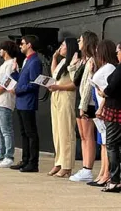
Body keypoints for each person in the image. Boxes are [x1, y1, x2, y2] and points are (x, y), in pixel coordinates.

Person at [69, 31, 98, 183]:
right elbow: (76, 81)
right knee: (82, 135)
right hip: (80, 100)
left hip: (86, 102)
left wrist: (83, 105)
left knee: (88, 135)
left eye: (80, 40)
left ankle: (88, 168)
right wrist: (73, 65)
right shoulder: (84, 60)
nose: (78, 43)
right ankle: (85, 167)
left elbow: (87, 86)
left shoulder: (92, 60)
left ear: (86, 42)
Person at [10, 35, 43, 172]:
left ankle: (33, 162)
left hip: (28, 102)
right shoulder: (27, 61)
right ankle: (25, 159)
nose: (20, 46)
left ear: (29, 45)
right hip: (22, 102)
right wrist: (14, 73)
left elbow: (34, 84)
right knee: (24, 133)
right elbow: (24, 80)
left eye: (22, 43)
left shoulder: (35, 61)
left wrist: (18, 90)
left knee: (31, 133)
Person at [47, 38, 79, 178]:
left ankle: (67, 165)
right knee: (57, 131)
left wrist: (58, 87)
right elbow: (55, 75)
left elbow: (74, 84)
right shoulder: (62, 61)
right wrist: (54, 58)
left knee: (66, 131)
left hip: (66, 96)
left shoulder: (74, 62)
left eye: (63, 45)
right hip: (56, 96)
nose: (60, 47)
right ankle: (58, 162)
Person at [88, 40, 117, 187]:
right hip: (101, 106)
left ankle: (107, 174)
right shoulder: (105, 67)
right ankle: (103, 172)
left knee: (108, 142)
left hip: (105, 108)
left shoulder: (110, 68)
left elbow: (109, 91)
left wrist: (102, 108)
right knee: (104, 143)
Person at [97, 41, 121, 193]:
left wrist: (103, 92)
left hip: (115, 109)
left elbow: (112, 87)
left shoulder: (120, 68)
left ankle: (115, 179)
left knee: (112, 144)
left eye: (119, 50)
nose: (117, 53)